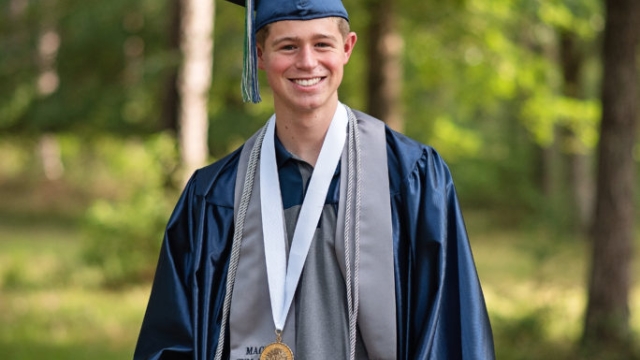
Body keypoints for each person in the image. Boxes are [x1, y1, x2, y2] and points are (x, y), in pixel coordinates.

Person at [134, 0, 495, 358]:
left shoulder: (410, 178)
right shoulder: (214, 196)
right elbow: (171, 341)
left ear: (347, 48)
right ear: (259, 55)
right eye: (288, 46)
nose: (307, 62)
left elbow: (449, 332)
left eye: (322, 44)